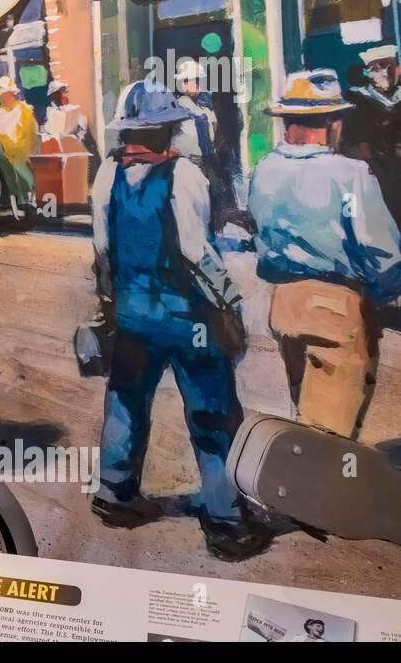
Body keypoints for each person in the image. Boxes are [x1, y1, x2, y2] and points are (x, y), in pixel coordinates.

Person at [91, 79, 271, 562]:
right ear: (168, 130)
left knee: (126, 403)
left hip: (133, 315)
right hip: (187, 317)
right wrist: (230, 303)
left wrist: (113, 299)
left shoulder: (106, 175)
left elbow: (104, 251)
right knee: (211, 413)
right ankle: (226, 519)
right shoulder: (185, 176)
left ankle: (115, 494)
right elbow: (197, 253)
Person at [248, 70, 401, 439]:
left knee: (306, 415)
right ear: (333, 123)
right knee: (329, 435)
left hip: (285, 305)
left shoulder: (264, 170)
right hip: (337, 308)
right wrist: (374, 300)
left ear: (286, 120)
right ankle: (311, 495)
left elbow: (261, 236)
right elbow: (384, 255)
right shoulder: (351, 174)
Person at [175, 58, 244, 229]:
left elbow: (214, 129)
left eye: (199, 80)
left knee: (217, 193)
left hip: (208, 157)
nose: (198, 84)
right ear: (183, 83)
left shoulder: (205, 103)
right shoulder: (180, 107)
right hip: (191, 161)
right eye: (193, 81)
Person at [343, 44, 401, 220]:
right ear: (367, 73)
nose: (382, 74)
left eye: (386, 66)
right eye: (374, 69)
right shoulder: (356, 105)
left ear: (398, 69)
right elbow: (355, 149)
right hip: (379, 183)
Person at [0, 76, 38, 196]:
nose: (4, 97)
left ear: (12, 94)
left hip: (22, 156)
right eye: (2, 95)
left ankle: (30, 196)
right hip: (3, 158)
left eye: (7, 94)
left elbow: (32, 133)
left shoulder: (24, 110)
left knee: (25, 180)